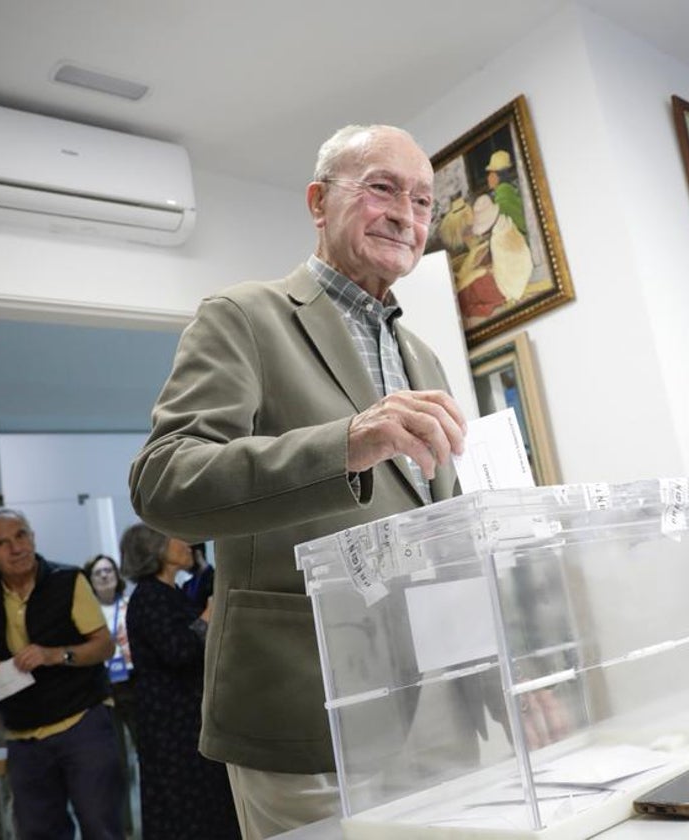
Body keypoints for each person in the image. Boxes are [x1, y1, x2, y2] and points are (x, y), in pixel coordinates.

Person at [129, 124, 468, 837]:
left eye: (422, 199)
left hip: (429, 711)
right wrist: (344, 443)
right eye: (381, 187)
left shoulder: (426, 359)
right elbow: (164, 480)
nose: (406, 213)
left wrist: (488, 682)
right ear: (319, 201)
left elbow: (443, 529)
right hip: (301, 706)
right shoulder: (244, 318)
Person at [0, 507, 124, 840]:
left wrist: (55, 655)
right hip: (23, 738)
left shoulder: (69, 580)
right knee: (38, 832)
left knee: (100, 825)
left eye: (21, 535)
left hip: (81, 723)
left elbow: (104, 647)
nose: (17, 548)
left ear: (33, 536)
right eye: (2, 543)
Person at [119, 522, 239, 840]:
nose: (187, 543)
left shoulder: (170, 593)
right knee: (187, 808)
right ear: (155, 548)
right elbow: (178, 650)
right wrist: (207, 617)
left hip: (184, 719)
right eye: (176, 537)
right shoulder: (149, 597)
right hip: (172, 726)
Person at [82, 553, 137, 833]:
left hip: (132, 683)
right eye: (98, 572)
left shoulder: (130, 607)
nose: (104, 575)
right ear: (90, 580)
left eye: (108, 570)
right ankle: (123, 828)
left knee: (144, 754)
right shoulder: (86, 614)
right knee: (114, 764)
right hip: (102, 688)